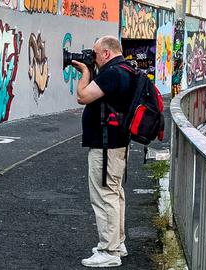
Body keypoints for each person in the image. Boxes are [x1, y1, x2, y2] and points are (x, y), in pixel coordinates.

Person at [72, 36, 134, 268]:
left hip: (106, 146)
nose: (93, 58)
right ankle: (117, 244)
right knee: (115, 193)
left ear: (107, 53)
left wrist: (85, 73)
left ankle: (109, 251)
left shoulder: (112, 73)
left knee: (104, 196)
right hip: (118, 143)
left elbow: (83, 96)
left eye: (95, 54)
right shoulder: (127, 69)